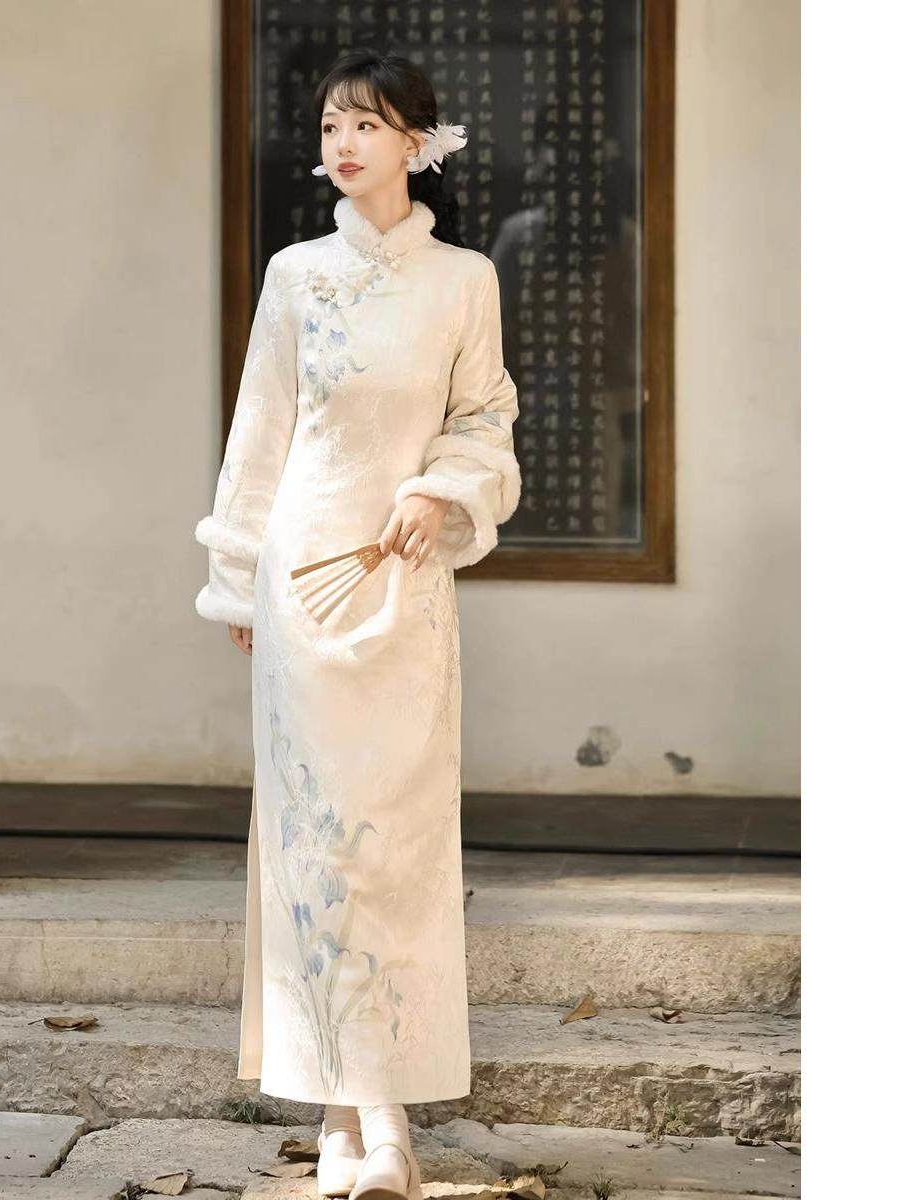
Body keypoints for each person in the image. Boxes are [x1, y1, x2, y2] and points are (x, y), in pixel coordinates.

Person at [194, 48, 520, 1200]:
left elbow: (484, 420)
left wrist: (442, 491)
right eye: (332, 125)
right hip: (302, 589)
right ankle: (364, 1122)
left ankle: (365, 1117)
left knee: (398, 840)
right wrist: (239, 578)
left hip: (404, 588)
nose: (343, 144)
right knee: (315, 842)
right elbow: (260, 433)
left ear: (417, 144)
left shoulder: (464, 280)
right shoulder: (295, 276)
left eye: (368, 125)